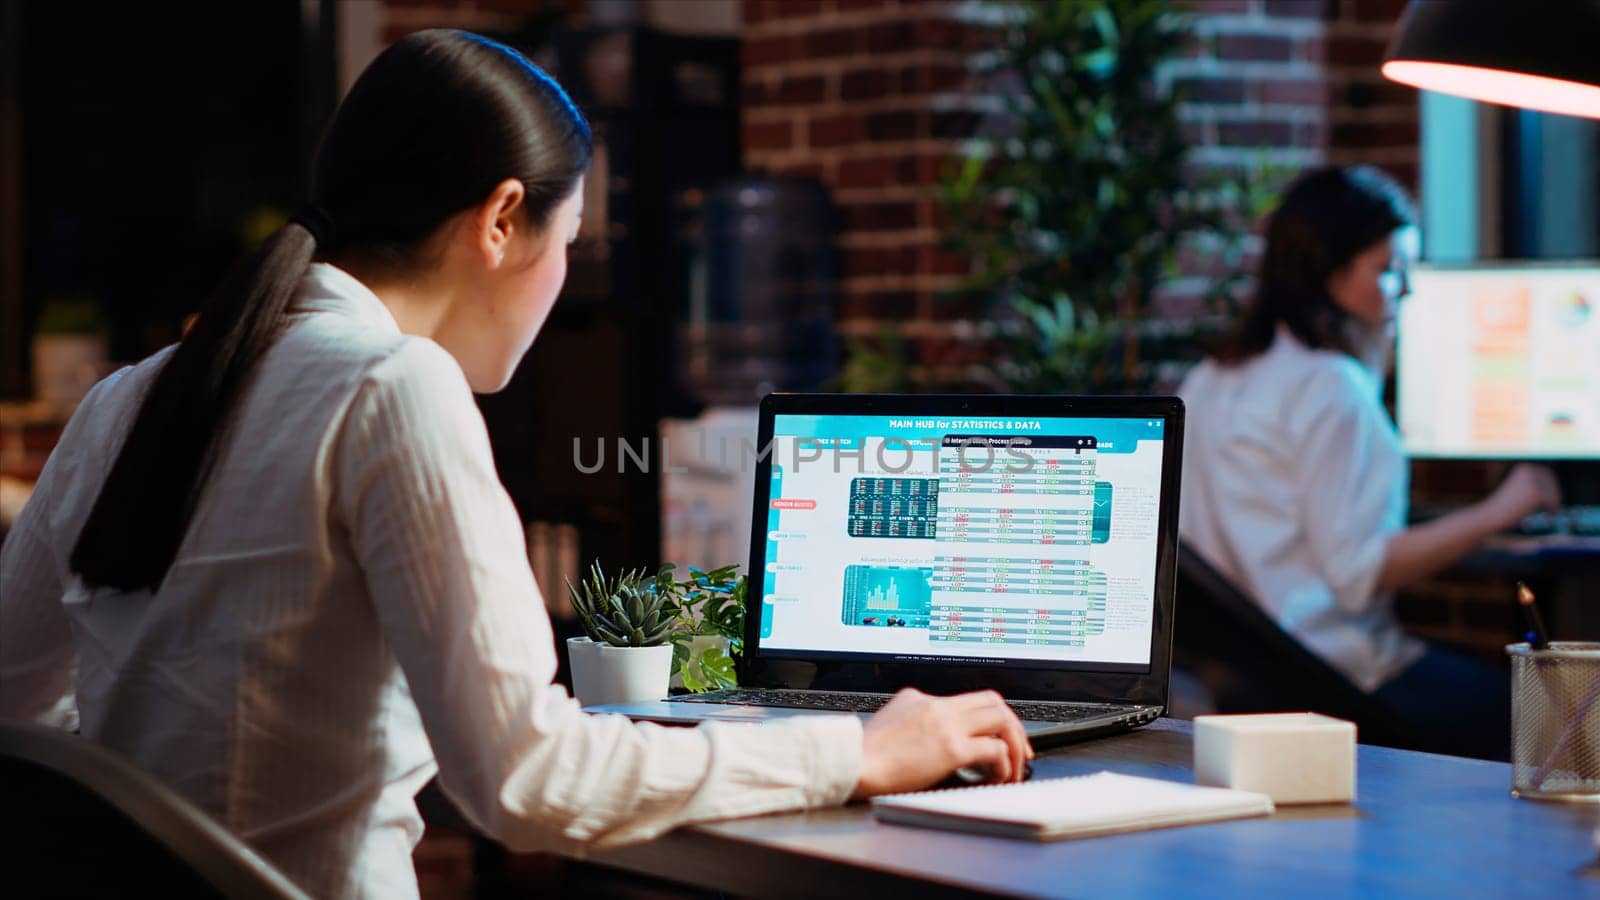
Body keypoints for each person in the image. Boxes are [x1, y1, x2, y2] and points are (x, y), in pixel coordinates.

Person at [0, 30, 1030, 899]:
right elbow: (528, 783)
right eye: (566, 241)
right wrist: (862, 752)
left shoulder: (129, 396)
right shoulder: (393, 388)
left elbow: (14, 713)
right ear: (500, 222)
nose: (560, 280)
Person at [1177, 165, 1560, 761]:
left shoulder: (1210, 378)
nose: (1405, 292)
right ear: (1329, 275)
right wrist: (1505, 506)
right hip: (1340, 676)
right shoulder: (1333, 390)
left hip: (1249, 677)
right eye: (1388, 271)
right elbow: (1359, 573)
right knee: (1556, 709)